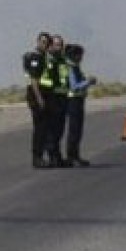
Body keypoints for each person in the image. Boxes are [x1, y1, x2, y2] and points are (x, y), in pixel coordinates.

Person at [63, 42, 97, 167]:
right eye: (80, 55)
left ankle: (75, 155)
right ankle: (72, 156)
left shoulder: (75, 67)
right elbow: (74, 86)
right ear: (74, 55)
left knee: (77, 130)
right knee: (74, 129)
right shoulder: (71, 68)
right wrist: (88, 82)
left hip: (78, 100)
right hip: (73, 101)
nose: (81, 57)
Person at [40, 34, 71, 167]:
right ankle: (52, 156)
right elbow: (42, 80)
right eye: (56, 45)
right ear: (51, 46)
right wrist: (52, 85)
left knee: (60, 129)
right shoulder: (47, 61)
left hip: (63, 97)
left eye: (61, 45)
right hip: (52, 97)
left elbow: (67, 78)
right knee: (52, 129)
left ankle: (57, 156)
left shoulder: (63, 61)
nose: (59, 47)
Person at [22, 32, 53, 168]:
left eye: (47, 42)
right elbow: (34, 80)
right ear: (38, 41)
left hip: (44, 94)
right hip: (36, 96)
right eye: (42, 41)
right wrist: (39, 98)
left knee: (45, 128)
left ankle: (43, 157)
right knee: (40, 128)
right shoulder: (35, 58)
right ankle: (37, 158)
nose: (44, 44)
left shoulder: (44, 58)